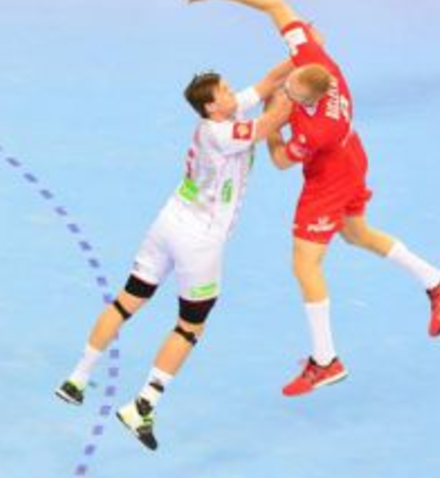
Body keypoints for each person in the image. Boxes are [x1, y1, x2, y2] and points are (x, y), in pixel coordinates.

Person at [185, 0, 440, 397]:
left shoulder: (315, 130)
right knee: (356, 233)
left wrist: (274, 120)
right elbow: (273, 1)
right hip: (353, 157)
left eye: (291, 93)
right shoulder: (316, 61)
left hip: (329, 177)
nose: (286, 89)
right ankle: (437, 281)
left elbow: (281, 161)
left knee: (305, 264)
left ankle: (325, 360)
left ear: (306, 99)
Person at [56, 60, 293, 450]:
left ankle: (77, 379)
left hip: (168, 222)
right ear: (211, 107)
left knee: (126, 302)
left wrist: (302, 51)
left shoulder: (220, 115)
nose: (233, 93)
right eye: (225, 91)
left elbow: (267, 83)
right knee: (189, 327)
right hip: (199, 240)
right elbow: (273, 120)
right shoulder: (223, 132)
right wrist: (304, 88)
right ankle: (142, 406)